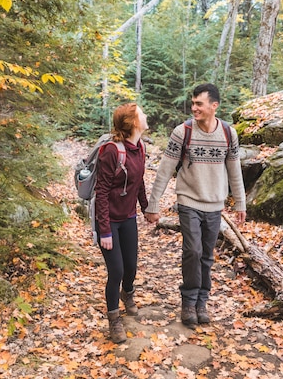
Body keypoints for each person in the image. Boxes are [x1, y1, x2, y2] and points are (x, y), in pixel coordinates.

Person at [144, 83, 246, 328]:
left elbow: (235, 171)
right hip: (188, 200)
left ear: (214, 106)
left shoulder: (228, 134)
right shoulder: (183, 132)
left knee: (207, 256)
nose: (194, 108)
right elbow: (165, 169)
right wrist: (153, 204)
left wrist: (240, 203)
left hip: (215, 204)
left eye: (199, 104)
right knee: (193, 251)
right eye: (193, 103)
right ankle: (188, 301)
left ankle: (202, 302)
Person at [94, 102, 149, 343]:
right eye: (142, 114)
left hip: (128, 218)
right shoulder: (111, 151)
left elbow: (139, 182)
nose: (146, 116)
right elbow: (102, 191)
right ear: (134, 123)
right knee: (115, 270)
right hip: (108, 222)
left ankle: (128, 293)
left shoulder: (141, 148)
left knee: (131, 268)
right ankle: (114, 319)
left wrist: (147, 209)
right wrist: (104, 230)